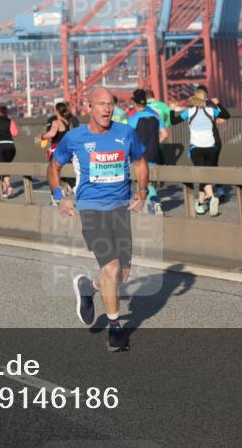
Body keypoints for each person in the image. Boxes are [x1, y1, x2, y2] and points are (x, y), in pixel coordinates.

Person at [49, 87, 149, 352]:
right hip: (92, 209)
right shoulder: (74, 138)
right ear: (89, 107)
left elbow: (139, 162)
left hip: (120, 209)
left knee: (121, 274)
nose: (107, 109)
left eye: (111, 104)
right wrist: (60, 196)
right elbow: (54, 166)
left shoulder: (125, 133)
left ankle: (88, 287)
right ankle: (115, 330)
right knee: (112, 267)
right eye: (101, 104)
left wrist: (142, 189)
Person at [174, 90, 227, 216]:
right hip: (211, 147)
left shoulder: (189, 112)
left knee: (202, 175)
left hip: (196, 148)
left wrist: (171, 110)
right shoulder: (211, 111)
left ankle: (212, 197)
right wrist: (218, 104)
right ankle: (200, 204)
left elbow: (173, 121)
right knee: (205, 175)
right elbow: (226, 115)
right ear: (205, 99)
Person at [127, 89, 167, 215]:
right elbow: (165, 134)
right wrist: (155, 143)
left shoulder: (132, 119)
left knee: (143, 182)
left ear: (134, 102)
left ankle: (154, 204)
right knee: (148, 181)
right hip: (154, 153)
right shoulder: (155, 116)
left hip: (139, 156)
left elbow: (128, 139)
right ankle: (151, 207)